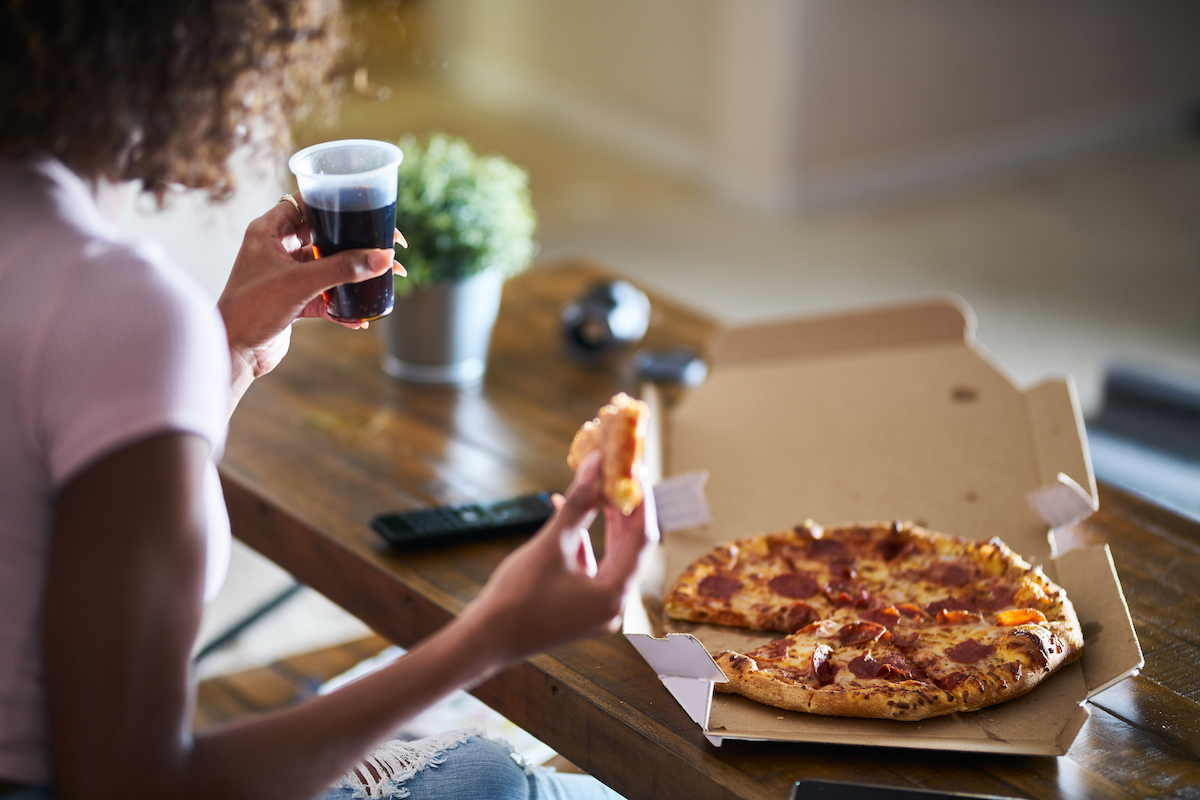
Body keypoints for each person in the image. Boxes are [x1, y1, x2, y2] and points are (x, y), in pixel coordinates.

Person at [0, 2, 657, 799]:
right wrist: (491, 634)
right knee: (497, 777)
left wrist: (232, 349)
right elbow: (133, 786)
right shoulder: (111, 301)